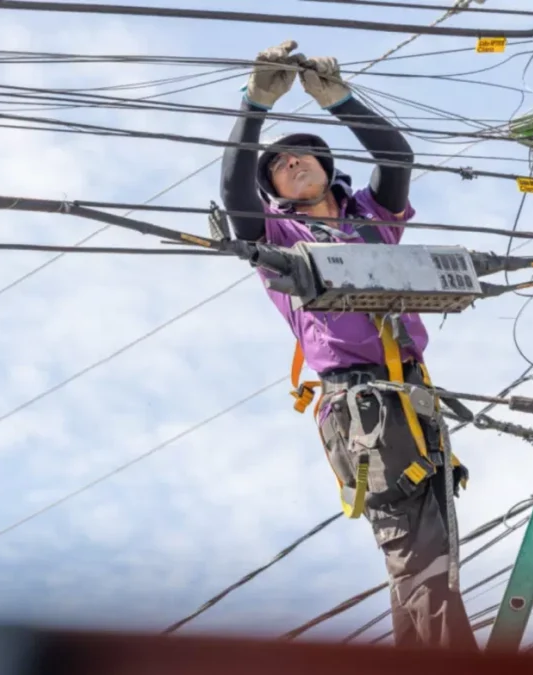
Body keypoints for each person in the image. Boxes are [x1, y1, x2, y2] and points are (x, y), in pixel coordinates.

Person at [220, 40, 477, 650]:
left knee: (426, 545)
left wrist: (339, 100)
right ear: (276, 190)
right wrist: (256, 102)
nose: (292, 161)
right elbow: (235, 193)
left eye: (302, 155)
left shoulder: (369, 216)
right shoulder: (279, 236)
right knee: (421, 554)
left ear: (326, 168)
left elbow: (396, 155)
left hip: (412, 392)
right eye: (279, 162)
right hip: (359, 401)